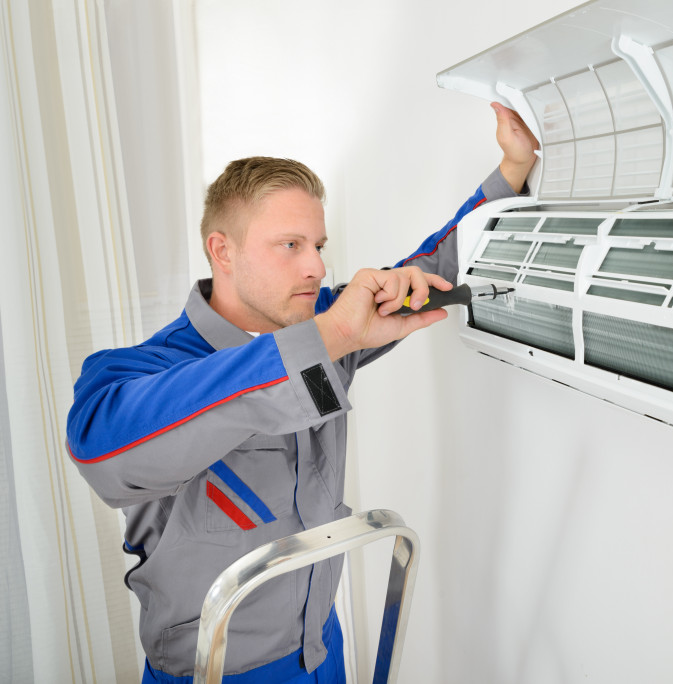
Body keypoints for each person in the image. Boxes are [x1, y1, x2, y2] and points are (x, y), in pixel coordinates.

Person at [66, 102, 539, 683]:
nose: (316, 266)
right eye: (290, 245)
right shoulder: (144, 371)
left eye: (318, 244)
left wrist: (511, 170)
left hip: (323, 653)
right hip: (216, 671)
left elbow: (428, 267)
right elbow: (100, 451)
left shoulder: (319, 327)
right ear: (222, 250)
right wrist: (332, 334)